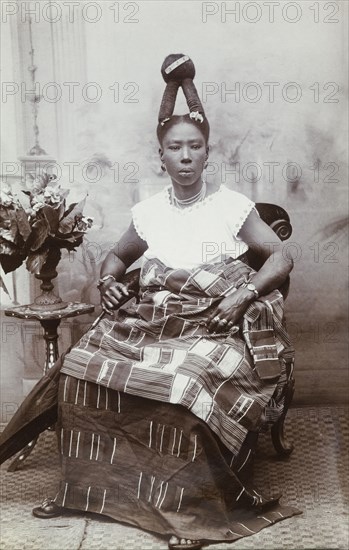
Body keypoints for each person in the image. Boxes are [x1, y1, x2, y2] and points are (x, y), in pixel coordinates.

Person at [0, 55, 300, 550]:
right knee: (77, 372)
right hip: (153, 320)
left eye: (195, 147)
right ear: (160, 156)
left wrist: (246, 293)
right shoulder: (149, 212)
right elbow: (117, 258)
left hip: (215, 321)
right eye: (174, 147)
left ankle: (190, 513)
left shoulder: (232, 207)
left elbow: (282, 258)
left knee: (185, 387)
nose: (185, 156)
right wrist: (109, 282)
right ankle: (81, 491)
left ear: (207, 154)